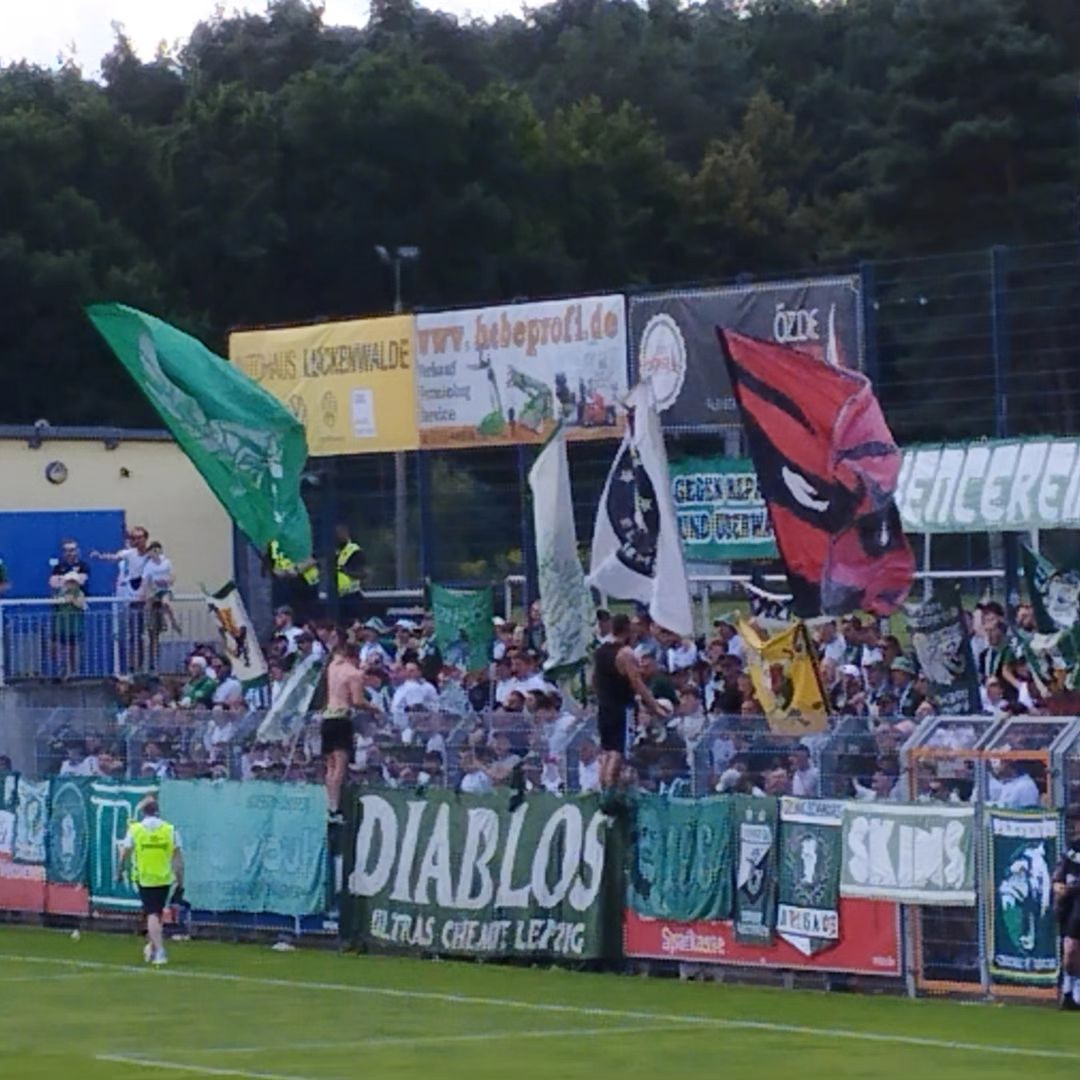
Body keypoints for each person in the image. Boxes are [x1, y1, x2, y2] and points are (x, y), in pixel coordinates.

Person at [592, 613, 663, 803]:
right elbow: (636, 682)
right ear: (627, 630)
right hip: (621, 708)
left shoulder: (600, 651)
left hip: (604, 706)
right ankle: (610, 792)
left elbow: (594, 679)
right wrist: (654, 704)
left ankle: (603, 789)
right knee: (618, 750)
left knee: (606, 750)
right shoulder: (625, 653)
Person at [116, 796, 183, 967]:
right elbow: (178, 860)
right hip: (164, 878)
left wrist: (120, 870)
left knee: (152, 913)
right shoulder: (169, 830)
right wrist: (180, 880)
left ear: (143, 812)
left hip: (145, 877)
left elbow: (124, 852)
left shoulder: (136, 830)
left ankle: (159, 951)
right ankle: (152, 947)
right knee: (156, 913)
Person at [92, 525, 151, 673]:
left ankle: (150, 666)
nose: (137, 541)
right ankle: (134, 666)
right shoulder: (129, 554)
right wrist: (100, 556)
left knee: (150, 634)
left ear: (145, 538)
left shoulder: (152, 554)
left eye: (140, 537)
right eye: (134, 538)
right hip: (135, 596)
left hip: (150, 596)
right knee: (134, 633)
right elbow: (114, 557)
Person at [323, 640, 366, 824]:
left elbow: (336, 653)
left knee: (330, 766)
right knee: (340, 766)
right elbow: (358, 701)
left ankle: (330, 805)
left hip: (327, 717)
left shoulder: (333, 667)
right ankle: (335, 807)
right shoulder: (354, 673)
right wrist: (375, 709)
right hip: (341, 718)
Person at [47, 539, 89, 679]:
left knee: (72, 645)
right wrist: (65, 581)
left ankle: (73, 672)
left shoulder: (83, 565)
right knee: (54, 645)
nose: (69, 553)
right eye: (66, 550)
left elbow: (81, 581)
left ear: (77, 551)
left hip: (74, 616)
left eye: (72, 550)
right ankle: (61, 668)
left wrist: (64, 581)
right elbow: (53, 583)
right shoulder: (58, 567)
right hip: (60, 615)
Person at [1053, 834, 1080, 1010]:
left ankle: (1076, 991)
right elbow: (1058, 877)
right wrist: (1058, 886)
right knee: (1070, 950)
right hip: (1071, 905)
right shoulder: (1071, 850)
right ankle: (1069, 989)